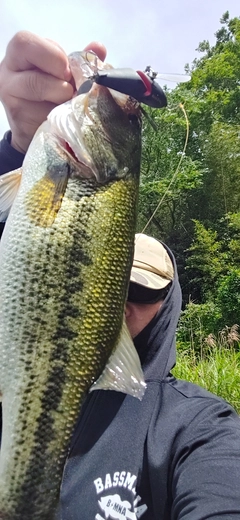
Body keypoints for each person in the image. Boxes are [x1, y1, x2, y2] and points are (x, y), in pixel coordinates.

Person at [0, 31, 240, 520]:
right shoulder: (19, 372)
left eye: (143, 290)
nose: (116, 302)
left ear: (169, 305)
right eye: (117, 282)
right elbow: (28, 259)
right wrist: (19, 150)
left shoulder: (197, 427)